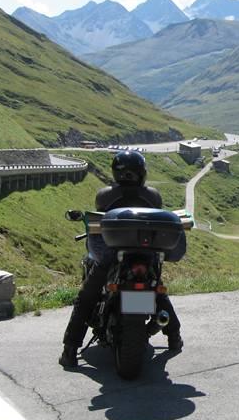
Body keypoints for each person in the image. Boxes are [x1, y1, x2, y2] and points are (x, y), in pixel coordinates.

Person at [59, 150, 184, 368]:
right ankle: (174, 337)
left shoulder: (104, 195)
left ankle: (70, 350)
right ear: (142, 173)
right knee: (158, 290)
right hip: (146, 253)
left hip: (111, 255)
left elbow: (101, 219)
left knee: (87, 297)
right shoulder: (153, 196)